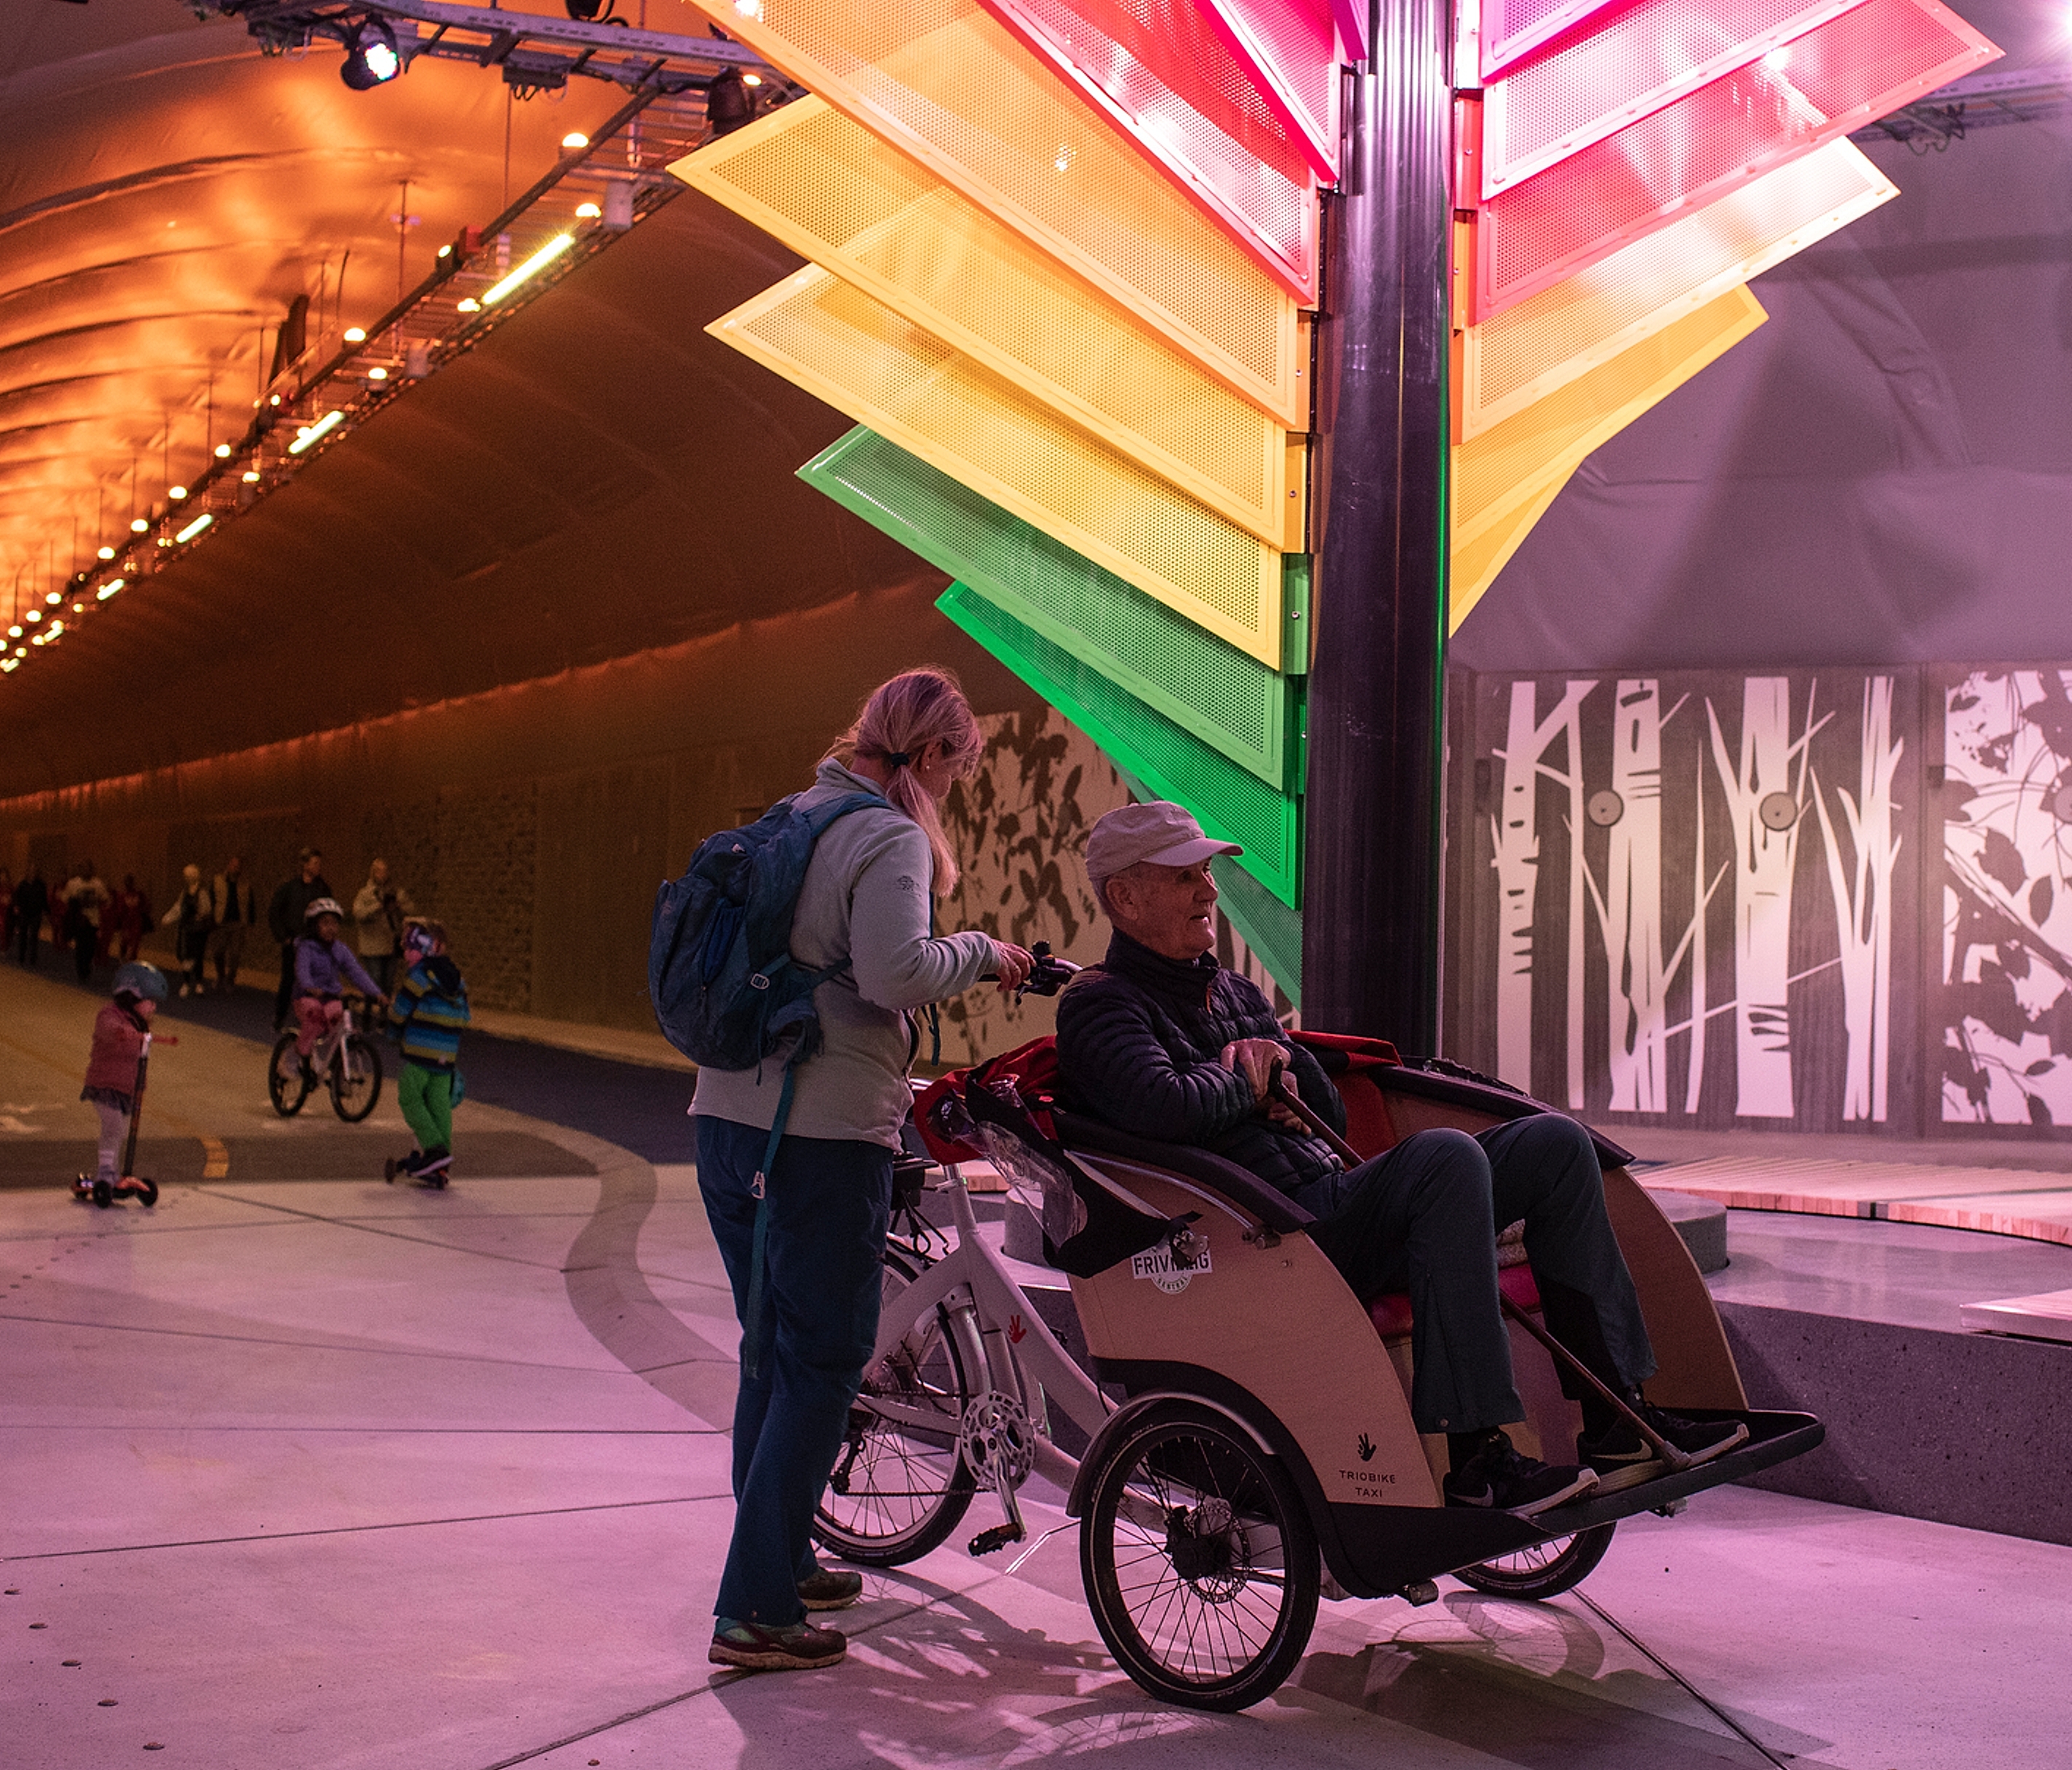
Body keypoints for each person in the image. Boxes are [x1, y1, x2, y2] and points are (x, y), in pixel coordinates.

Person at [1055, 801, 1746, 1518]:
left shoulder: (1230, 990)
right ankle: (1480, 1461)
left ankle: (1619, 1423)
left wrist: (1285, 1069)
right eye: (1184, 877)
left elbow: (1326, 1107)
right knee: (1444, 1158)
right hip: (1266, 1238)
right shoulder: (1101, 1006)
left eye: (1205, 872)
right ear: (1125, 899)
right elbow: (1158, 1106)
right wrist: (1244, 1081)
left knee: (1554, 1143)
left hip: (1328, 1200)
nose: (1209, 890)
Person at [689, 667, 1034, 1673]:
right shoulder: (887, 835)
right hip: (820, 1132)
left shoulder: (796, 814)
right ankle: (754, 1608)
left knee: (774, 1350)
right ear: (929, 756)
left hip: (727, 1118)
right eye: (956, 771)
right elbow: (893, 972)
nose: (952, 791)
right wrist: (980, 949)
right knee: (828, 1357)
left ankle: (784, 1556)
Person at [384, 919, 471, 1188]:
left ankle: (434, 1149)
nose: (405, 953)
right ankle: (441, 1164)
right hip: (447, 1051)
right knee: (439, 1104)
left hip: (421, 1049)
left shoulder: (420, 975)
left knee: (410, 1097)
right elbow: (466, 1015)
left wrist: (393, 1032)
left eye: (408, 947)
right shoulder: (457, 979)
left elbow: (401, 1009)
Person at [81, 962, 168, 1194]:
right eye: (149, 1001)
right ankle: (105, 1174)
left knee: (120, 1130)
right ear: (131, 996)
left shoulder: (140, 1023)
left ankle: (116, 1174)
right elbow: (108, 1029)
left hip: (126, 1088)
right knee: (113, 1127)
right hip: (104, 1084)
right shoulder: (111, 1015)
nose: (153, 1007)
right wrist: (124, 1033)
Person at [277, 898, 381, 1078]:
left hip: (331, 996)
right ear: (313, 926)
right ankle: (292, 1058)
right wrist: (310, 986)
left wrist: (377, 993)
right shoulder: (306, 947)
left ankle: (340, 1073)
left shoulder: (340, 949)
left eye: (334, 923)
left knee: (340, 1022)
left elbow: (356, 972)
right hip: (306, 996)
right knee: (314, 1019)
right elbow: (302, 971)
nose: (331, 928)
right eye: (325, 923)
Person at [267, 850, 326, 1030]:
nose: (318, 867)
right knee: (288, 979)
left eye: (319, 864)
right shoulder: (289, 888)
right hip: (292, 942)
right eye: (315, 863)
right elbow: (274, 912)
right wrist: (283, 937)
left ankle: (312, 1016)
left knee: (315, 980)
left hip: (314, 943)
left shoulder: (322, 889)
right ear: (305, 865)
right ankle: (280, 1015)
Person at [350, 860, 403, 1026]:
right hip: (372, 945)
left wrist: (399, 906)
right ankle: (367, 1011)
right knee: (374, 980)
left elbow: (410, 908)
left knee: (388, 982)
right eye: (379, 871)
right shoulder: (365, 894)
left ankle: (383, 1014)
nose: (383, 874)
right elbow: (358, 914)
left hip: (389, 944)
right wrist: (377, 907)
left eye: (385, 871)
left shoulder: (396, 892)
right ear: (373, 873)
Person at [160, 865, 215, 997]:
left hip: (199, 930)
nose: (187, 878)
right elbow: (178, 908)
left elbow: (207, 909)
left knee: (198, 956)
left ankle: (199, 982)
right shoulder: (184, 893)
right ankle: (186, 982)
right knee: (184, 955)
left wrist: (201, 915)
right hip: (186, 929)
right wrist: (167, 918)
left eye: (189, 875)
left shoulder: (202, 892)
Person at [207, 856, 256, 996]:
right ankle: (221, 975)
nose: (235, 868)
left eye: (238, 866)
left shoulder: (245, 885)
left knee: (235, 954)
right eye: (233, 865)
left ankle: (230, 980)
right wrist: (210, 920)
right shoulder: (218, 881)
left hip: (238, 924)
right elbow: (211, 900)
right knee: (218, 952)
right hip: (220, 923)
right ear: (229, 865)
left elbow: (251, 905)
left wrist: (251, 924)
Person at [61, 861, 109, 985]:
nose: (86, 872)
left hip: (93, 920)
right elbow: (65, 899)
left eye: (89, 870)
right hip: (80, 920)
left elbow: (105, 899)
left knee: (90, 947)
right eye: (84, 869)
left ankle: (87, 965)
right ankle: (81, 971)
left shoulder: (98, 884)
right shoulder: (73, 884)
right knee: (81, 946)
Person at [10, 869, 47, 966]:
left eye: (34, 872)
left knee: (34, 937)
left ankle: (32, 959)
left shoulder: (41, 885)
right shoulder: (23, 884)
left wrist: (45, 911)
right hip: (24, 913)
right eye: (31, 872)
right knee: (23, 936)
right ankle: (21, 957)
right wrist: (17, 906)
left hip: (36, 914)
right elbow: (17, 896)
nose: (33, 874)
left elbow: (44, 898)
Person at [108, 874, 148, 963]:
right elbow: (119, 910)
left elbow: (145, 907)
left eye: (130, 882)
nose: (128, 884)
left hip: (136, 922)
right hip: (126, 923)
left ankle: (130, 960)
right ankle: (124, 959)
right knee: (125, 941)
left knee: (134, 943)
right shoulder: (122, 896)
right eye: (127, 882)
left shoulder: (139, 895)